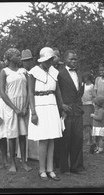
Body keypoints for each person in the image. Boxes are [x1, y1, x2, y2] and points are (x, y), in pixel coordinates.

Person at [28, 47, 65, 181]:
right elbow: (30, 93)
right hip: (40, 106)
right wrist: (33, 112)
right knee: (43, 139)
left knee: (52, 138)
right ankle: (42, 169)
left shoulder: (54, 72)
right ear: (42, 59)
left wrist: (62, 107)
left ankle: (50, 169)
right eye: (47, 60)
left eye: (51, 59)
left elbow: (58, 92)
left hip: (52, 106)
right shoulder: (33, 72)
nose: (49, 62)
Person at [0, 48, 31, 172]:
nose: (19, 57)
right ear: (11, 57)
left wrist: (25, 106)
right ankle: (13, 163)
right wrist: (15, 109)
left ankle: (24, 161)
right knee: (12, 136)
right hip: (11, 107)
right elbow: (2, 92)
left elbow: (29, 90)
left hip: (23, 106)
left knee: (23, 135)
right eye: (17, 55)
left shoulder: (24, 71)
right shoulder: (4, 71)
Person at [57, 50, 85, 174]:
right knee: (65, 140)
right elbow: (56, 92)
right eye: (71, 59)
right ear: (65, 60)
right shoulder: (60, 74)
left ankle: (77, 167)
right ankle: (64, 167)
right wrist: (61, 106)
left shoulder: (80, 74)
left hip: (78, 110)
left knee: (78, 139)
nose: (74, 61)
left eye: (75, 59)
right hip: (65, 111)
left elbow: (80, 91)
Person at [21, 49, 38, 161]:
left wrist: (27, 105)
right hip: (22, 101)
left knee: (33, 128)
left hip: (33, 101)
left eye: (29, 60)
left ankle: (34, 153)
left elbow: (31, 91)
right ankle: (24, 153)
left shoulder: (34, 72)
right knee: (23, 128)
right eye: (25, 61)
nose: (27, 63)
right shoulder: (21, 73)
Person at [81, 71, 95, 146]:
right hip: (82, 105)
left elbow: (94, 96)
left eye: (86, 77)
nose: (85, 79)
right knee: (84, 124)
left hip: (89, 105)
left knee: (88, 124)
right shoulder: (82, 85)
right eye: (84, 78)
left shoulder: (92, 86)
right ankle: (85, 138)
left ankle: (91, 140)